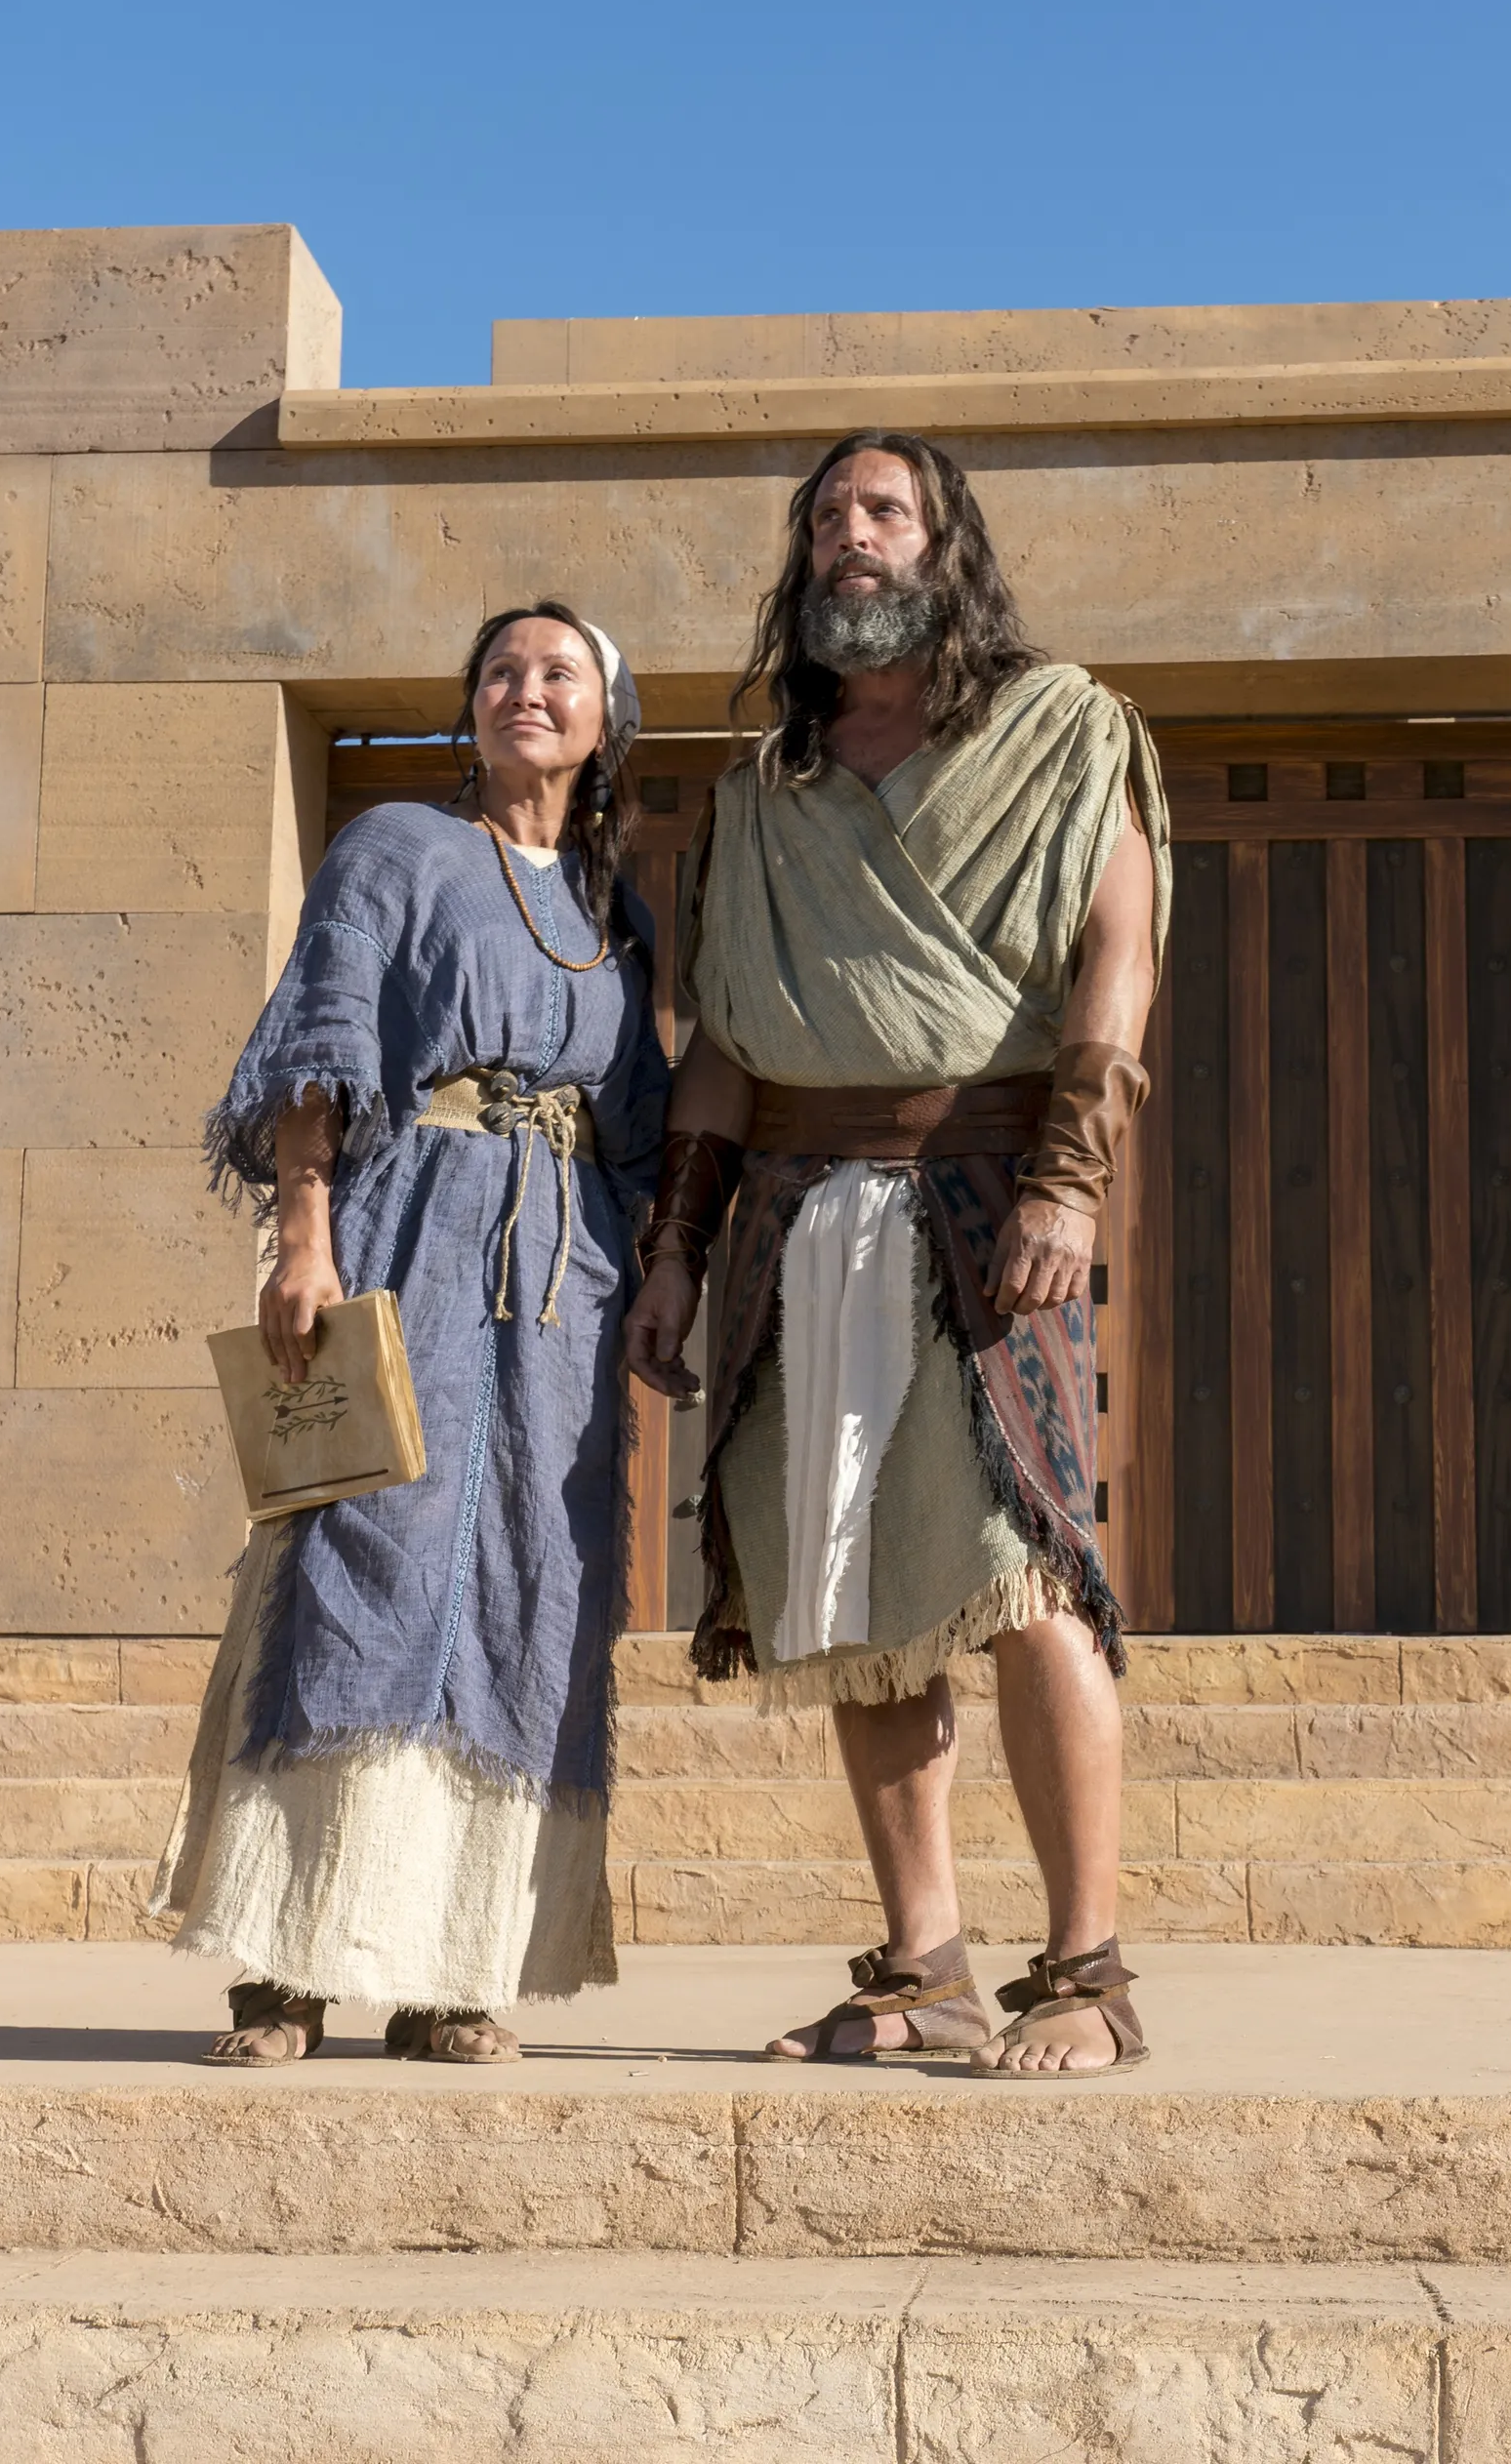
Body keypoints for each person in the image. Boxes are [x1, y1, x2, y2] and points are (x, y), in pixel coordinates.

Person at [624, 430, 1166, 2077]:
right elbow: (720, 1042)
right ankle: (921, 1962)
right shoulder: (758, 794)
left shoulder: (1070, 732)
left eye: (883, 512)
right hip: (793, 1217)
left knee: (1029, 1574)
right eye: (827, 518)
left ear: (944, 544)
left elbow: (1116, 966)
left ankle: (1087, 1974)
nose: (851, 539)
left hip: (991, 1200)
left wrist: (1073, 1183)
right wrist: (675, 1245)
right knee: (852, 1590)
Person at [155, 600, 669, 2066]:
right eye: (502, 669)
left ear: (602, 721)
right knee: (354, 1564)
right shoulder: (392, 847)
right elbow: (325, 1035)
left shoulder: (612, 915)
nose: (526, 688)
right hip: (410, 1231)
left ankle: (459, 1970)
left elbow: (634, 1121)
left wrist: (658, 1278)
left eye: (558, 672)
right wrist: (303, 1231)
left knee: (527, 1602)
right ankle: (286, 1969)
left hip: (563, 1282)